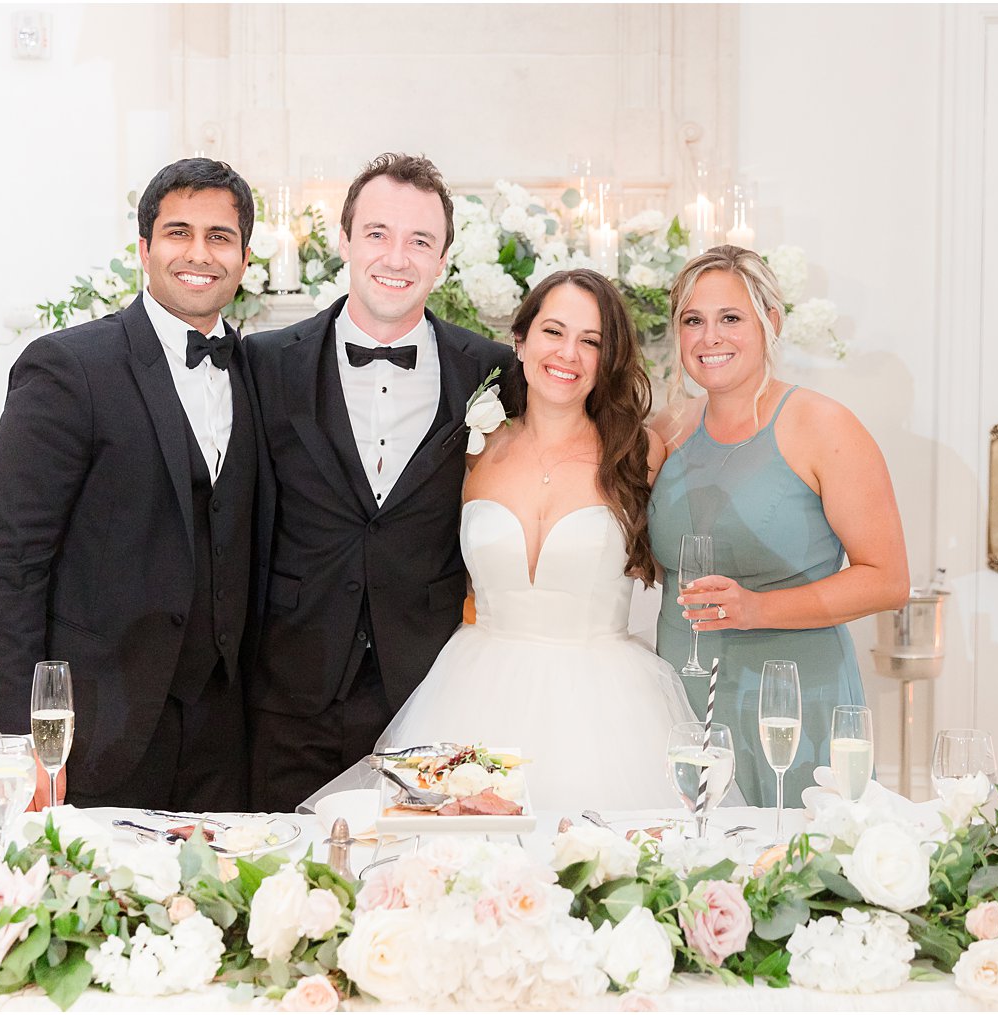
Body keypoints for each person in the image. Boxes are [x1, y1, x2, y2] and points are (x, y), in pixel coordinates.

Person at [308, 268, 705, 814]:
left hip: (607, 704)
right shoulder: (474, 448)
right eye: (554, 332)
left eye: (591, 341)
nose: (568, 354)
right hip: (474, 686)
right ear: (520, 341)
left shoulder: (641, 453)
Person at [0, 157, 268, 812]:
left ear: (244, 258)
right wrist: (26, 744)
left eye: (220, 236)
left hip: (226, 739)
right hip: (96, 734)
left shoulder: (259, 372)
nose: (199, 253)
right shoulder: (69, 367)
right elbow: (7, 564)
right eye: (178, 232)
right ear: (144, 248)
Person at [244, 153, 514, 813]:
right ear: (344, 241)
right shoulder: (263, 363)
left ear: (443, 259)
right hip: (288, 691)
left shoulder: (493, 368)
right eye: (378, 234)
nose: (397, 257)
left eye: (420, 240)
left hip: (426, 690)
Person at [649, 245, 910, 809]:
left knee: (788, 878)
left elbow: (887, 579)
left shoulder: (824, 426)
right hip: (682, 692)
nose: (708, 337)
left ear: (772, 322)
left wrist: (757, 609)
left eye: (730, 318)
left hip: (791, 697)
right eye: (692, 320)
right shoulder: (668, 428)